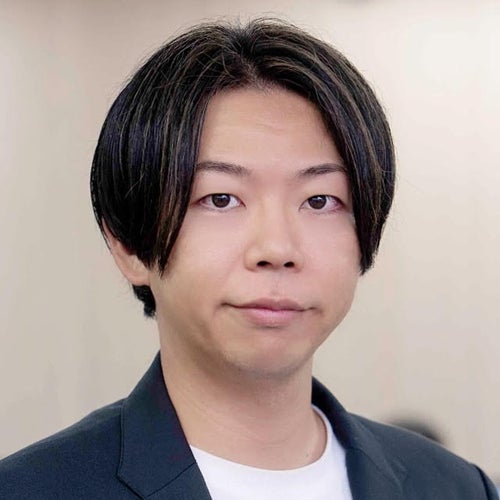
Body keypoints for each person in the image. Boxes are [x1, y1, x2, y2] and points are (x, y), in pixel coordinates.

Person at [0, 18, 497, 500]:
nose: (276, 249)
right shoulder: (31, 489)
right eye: (221, 199)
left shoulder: (456, 488)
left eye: (320, 200)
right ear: (129, 246)